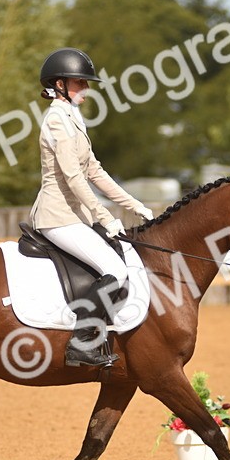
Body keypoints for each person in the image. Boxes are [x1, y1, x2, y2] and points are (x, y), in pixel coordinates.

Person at [31, 47, 155, 367]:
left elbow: (94, 171)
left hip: (77, 216)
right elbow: (73, 177)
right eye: (79, 83)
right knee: (114, 269)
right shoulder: (56, 120)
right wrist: (105, 216)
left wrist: (134, 205)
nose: (86, 89)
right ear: (59, 85)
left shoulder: (73, 117)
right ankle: (81, 343)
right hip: (57, 216)